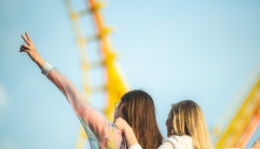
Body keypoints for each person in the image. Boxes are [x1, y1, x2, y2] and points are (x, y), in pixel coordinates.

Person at [19, 31, 163, 149]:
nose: (115, 105)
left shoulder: (108, 133)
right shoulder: (159, 144)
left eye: (118, 103)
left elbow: (71, 92)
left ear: (124, 107)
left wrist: (39, 60)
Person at [115, 100, 260, 149]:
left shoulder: (177, 144)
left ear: (178, 119)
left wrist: (128, 131)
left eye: (169, 116)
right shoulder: (196, 145)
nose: (165, 121)